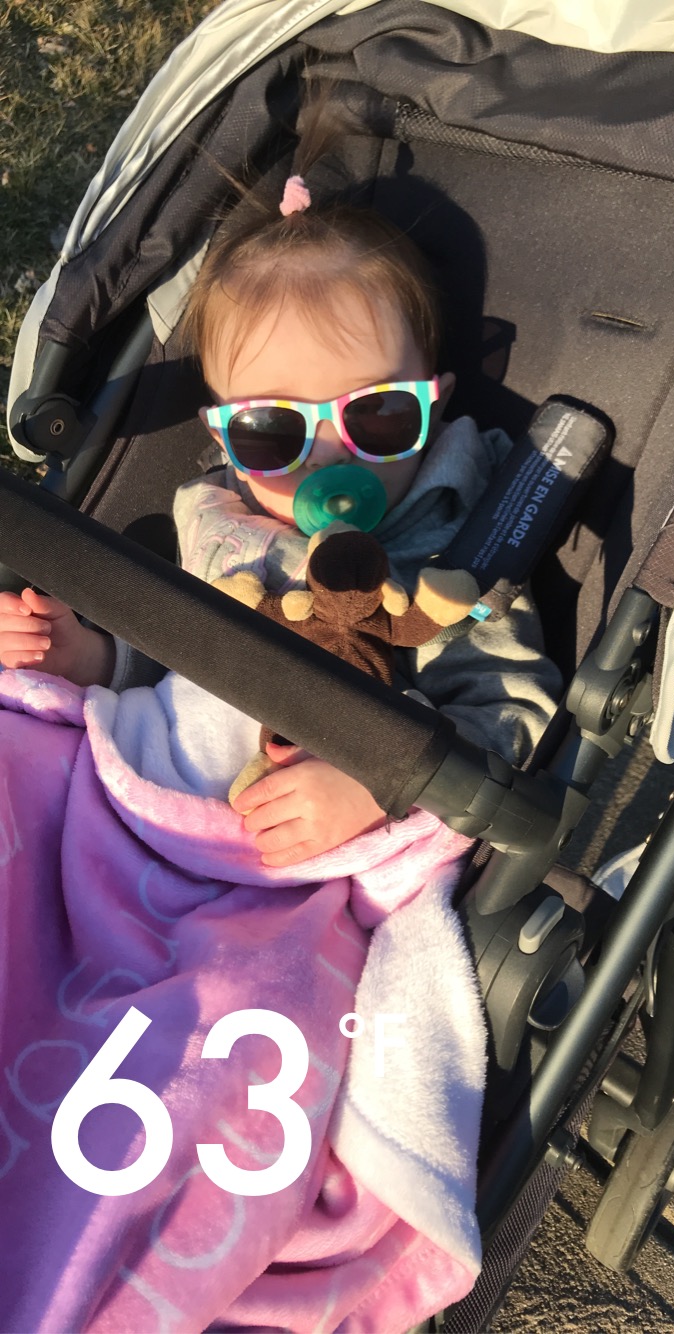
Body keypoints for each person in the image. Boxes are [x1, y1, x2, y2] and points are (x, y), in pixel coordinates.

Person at [0, 124, 561, 868]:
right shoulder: (217, 517)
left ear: (437, 404)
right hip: (157, 808)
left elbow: (510, 705)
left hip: (323, 859)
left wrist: (379, 782)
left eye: (378, 415)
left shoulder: (464, 548)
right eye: (271, 431)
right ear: (223, 434)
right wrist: (94, 657)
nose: (329, 453)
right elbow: (177, 656)